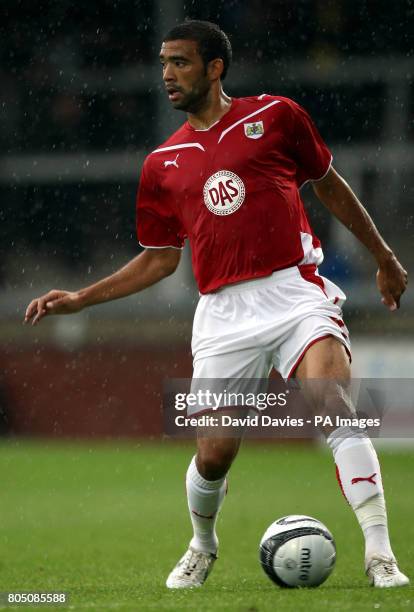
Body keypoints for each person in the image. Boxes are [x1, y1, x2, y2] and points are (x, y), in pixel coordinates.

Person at [25, 20, 409, 590]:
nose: (167, 75)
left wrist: (382, 254)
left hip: (293, 291)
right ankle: (202, 545)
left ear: (215, 67)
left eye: (180, 62)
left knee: (336, 409)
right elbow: (159, 259)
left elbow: (328, 182)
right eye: (162, 64)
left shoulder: (276, 117)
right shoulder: (162, 164)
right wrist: (82, 299)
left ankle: (381, 555)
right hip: (224, 313)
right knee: (214, 454)